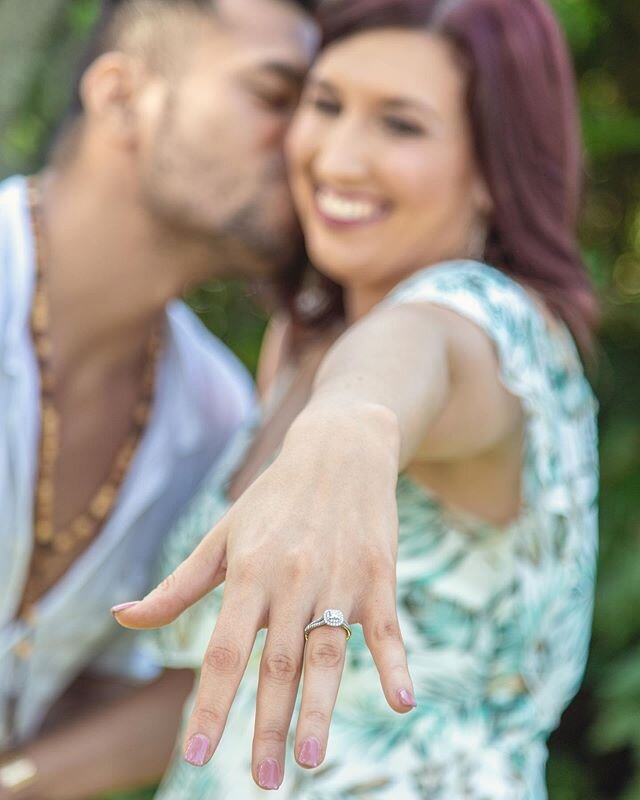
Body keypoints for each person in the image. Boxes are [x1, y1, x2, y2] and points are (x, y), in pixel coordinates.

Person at [114, 0, 600, 797]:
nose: (339, 156)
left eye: (401, 126)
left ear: (491, 172)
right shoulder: (300, 344)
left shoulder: (493, 333)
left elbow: (419, 351)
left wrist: (353, 425)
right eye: (327, 103)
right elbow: (215, 702)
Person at [0, 0, 319, 797]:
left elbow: (173, 678)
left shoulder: (213, 410)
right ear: (120, 94)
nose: (312, 142)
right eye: (274, 97)